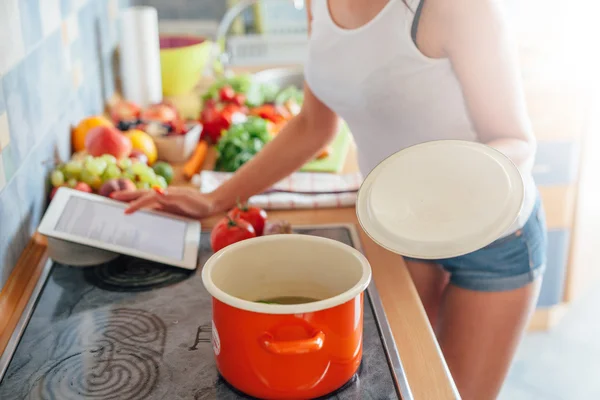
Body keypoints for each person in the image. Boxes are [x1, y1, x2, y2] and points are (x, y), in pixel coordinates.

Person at [113, 1, 547, 398]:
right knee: (405, 380)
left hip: (494, 241)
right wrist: (214, 200)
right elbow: (313, 127)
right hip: (398, 231)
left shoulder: (453, 8)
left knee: (448, 393)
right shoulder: (318, 4)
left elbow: (515, 140)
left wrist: (436, 181)